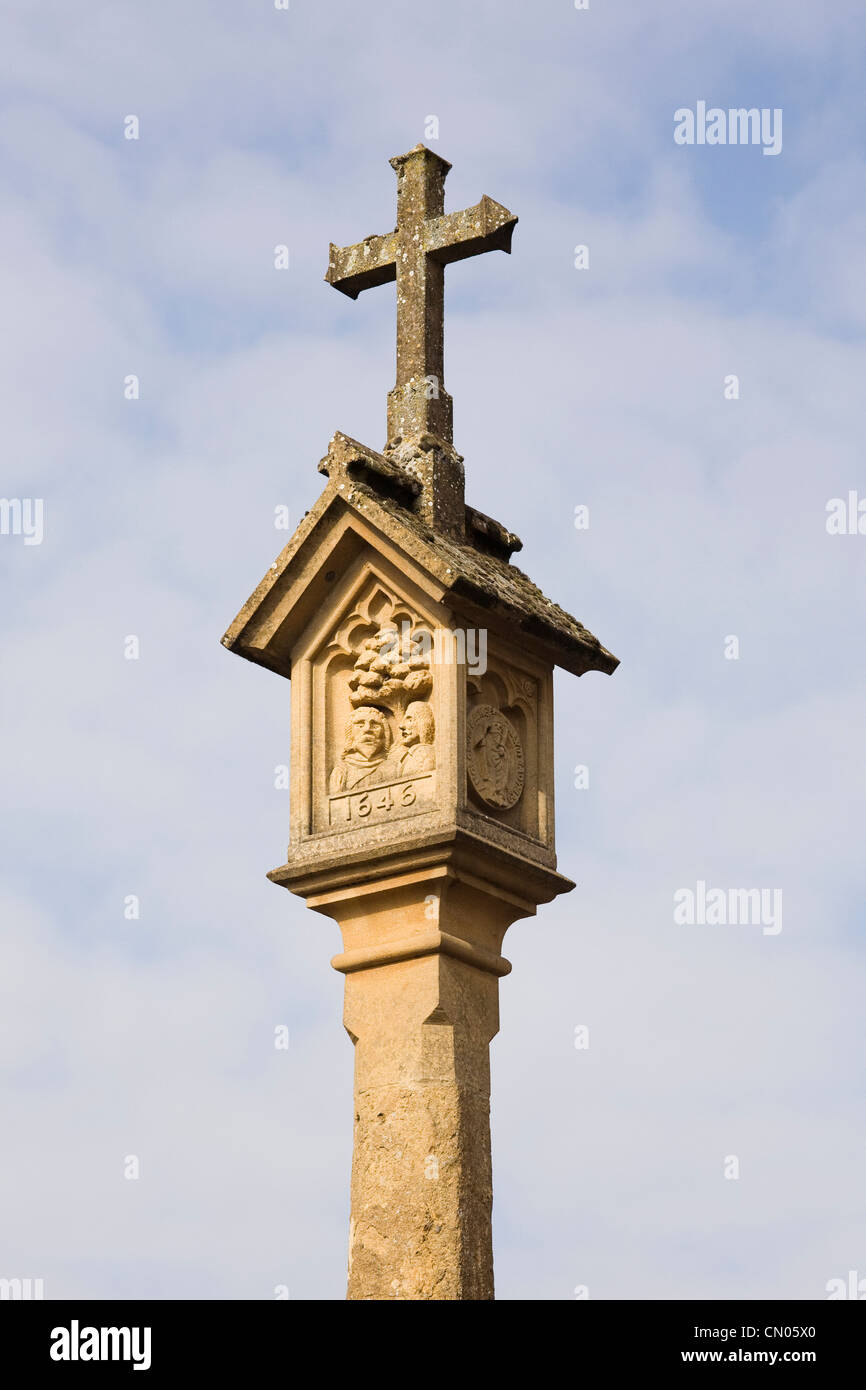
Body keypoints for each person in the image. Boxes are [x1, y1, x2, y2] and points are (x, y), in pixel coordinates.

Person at [329, 706, 393, 793]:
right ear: (350, 734)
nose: (367, 729)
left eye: (375, 726)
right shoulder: (342, 772)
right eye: (360, 725)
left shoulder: (393, 768)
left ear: (385, 734)